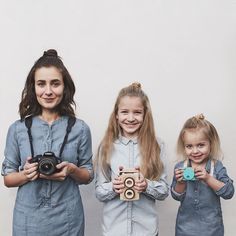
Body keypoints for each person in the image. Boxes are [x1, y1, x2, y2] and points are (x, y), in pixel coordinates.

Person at [1, 49, 93, 236]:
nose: (48, 91)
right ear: (33, 88)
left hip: (68, 219)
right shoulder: (17, 129)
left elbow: (88, 174)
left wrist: (72, 170)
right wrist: (27, 174)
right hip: (27, 219)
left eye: (55, 84)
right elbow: (8, 179)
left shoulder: (80, 128)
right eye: (41, 84)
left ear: (65, 87)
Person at [95, 82, 169, 236]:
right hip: (114, 230)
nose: (130, 118)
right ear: (116, 114)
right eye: (124, 112)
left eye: (137, 112)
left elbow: (163, 191)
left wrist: (146, 185)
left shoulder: (157, 145)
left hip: (146, 231)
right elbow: (99, 192)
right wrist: (114, 187)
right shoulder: (107, 146)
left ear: (145, 114)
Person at [171, 114, 234, 236]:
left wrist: (208, 178)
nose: (195, 151)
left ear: (211, 144)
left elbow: (229, 192)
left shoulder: (216, 166)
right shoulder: (181, 167)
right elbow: (176, 196)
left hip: (212, 229)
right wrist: (180, 183)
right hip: (184, 229)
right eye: (189, 146)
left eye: (201, 145)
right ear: (184, 146)